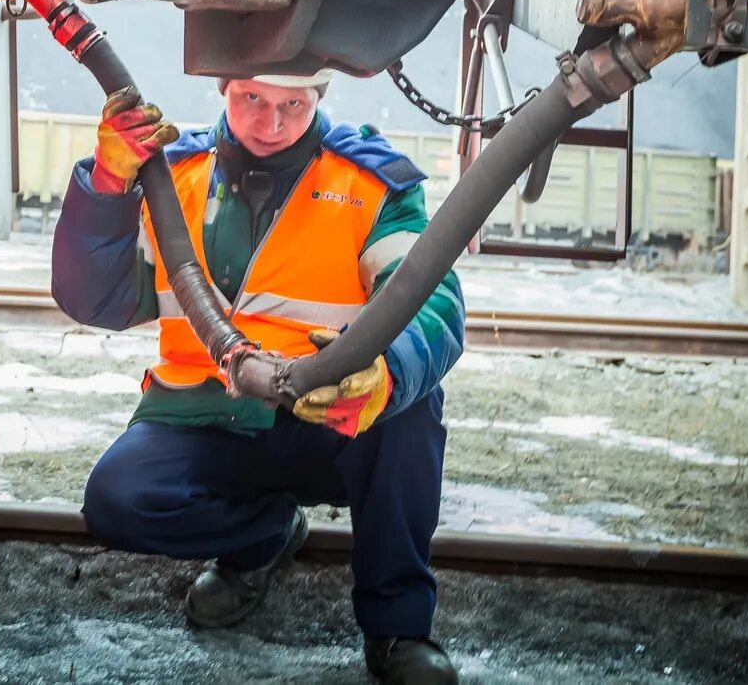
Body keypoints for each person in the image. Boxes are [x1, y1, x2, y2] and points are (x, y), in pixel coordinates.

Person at [50, 69, 465, 684]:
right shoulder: (173, 175)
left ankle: (399, 628)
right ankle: (265, 538)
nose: (271, 123)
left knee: (412, 408)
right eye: (253, 99)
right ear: (223, 86)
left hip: (327, 417)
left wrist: (386, 376)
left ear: (318, 97)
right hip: (203, 416)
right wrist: (106, 185)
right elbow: (95, 301)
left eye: (292, 105)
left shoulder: (372, 183)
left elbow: (434, 303)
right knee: (117, 499)